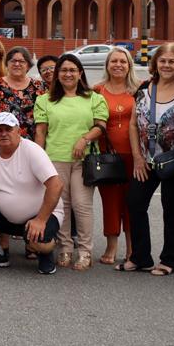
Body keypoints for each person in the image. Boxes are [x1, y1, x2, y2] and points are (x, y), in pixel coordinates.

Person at [0, 112, 64, 273]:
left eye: (8, 129)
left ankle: (46, 251)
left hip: (39, 215)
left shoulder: (32, 151)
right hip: (6, 218)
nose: (3, 133)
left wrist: (40, 219)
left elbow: (56, 185)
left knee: (40, 244)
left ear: (18, 131)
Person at [34, 53, 107, 271]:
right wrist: (38, 160)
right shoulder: (44, 100)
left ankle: (85, 251)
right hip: (54, 159)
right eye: (63, 70)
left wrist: (84, 139)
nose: (68, 74)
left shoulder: (94, 98)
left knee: (81, 205)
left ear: (80, 73)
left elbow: (101, 125)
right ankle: (65, 247)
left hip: (84, 160)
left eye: (72, 70)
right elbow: (40, 132)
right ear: (57, 74)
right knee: (61, 206)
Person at [124, 44, 174, 275]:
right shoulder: (144, 87)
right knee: (135, 203)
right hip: (146, 160)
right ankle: (140, 257)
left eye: (172, 61)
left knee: (171, 207)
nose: (167, 65)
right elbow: (133, 123)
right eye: (162, 61)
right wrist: (137, 158)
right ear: (155, 63)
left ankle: (170, 260)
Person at [94, 46, 139, 265]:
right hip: (107, 157)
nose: (118, 65)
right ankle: (111, 246)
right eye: (114, 61)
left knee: (132, 202)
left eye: (123, 61)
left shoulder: (139, 89)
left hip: (134, 156)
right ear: (107, 65)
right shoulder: (97, 90)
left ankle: (132, 248)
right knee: (110, 202)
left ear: (129, 65)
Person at [0, 46, 44, 140]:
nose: (17, 64)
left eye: (22, 61)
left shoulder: (39, 87)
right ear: (7, 64)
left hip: (33, 144)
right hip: (4, 143)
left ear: (28, 65)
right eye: (13, 61)